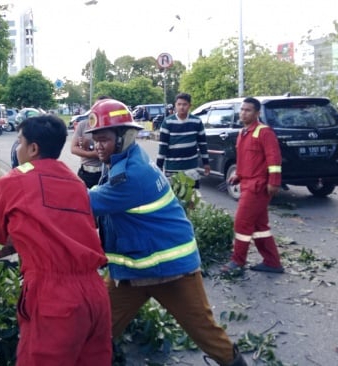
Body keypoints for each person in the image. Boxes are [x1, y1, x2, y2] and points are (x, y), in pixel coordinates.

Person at [86, 98, 246, 366]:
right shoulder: (124, 159)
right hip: (132, 271)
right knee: (98, 329)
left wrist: (45, 183)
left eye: (103, 139)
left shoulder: (130, 175)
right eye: (96, 140)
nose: (98, 146)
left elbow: (84, 203)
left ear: (124, 137)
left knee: (205, 333)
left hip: (172, 271)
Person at [0, 114, 112, 366]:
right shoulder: (76, 182)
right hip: (96, 294)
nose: (17, 148)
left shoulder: (14, 180)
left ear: (33, 149)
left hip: (54, 299)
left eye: (19, 142)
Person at [221, 97, 284, 275]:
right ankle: (272, 262)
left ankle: (237, 261)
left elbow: (274, 159)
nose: (243, 113)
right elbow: (244, 160)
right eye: (242, 110)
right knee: (259, 226)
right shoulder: (243, 133)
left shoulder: (264, 132)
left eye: (248, 110)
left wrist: (274, 181)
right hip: (247, 183)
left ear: (257, 113)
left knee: (242, 223)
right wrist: (238, 175)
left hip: (258, 186)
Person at [156, 92, 210, 188]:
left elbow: (202, 144)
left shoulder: (197, 121)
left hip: (191, 168)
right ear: (175, 106)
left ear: (190, 106)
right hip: (172, 168)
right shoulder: (167, 122)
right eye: (179, 104)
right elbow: (163, 146)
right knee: (174, 198)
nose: (181, 107)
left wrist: (206, 163)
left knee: (193, 198)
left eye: (184, 104)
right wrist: (158, 166)